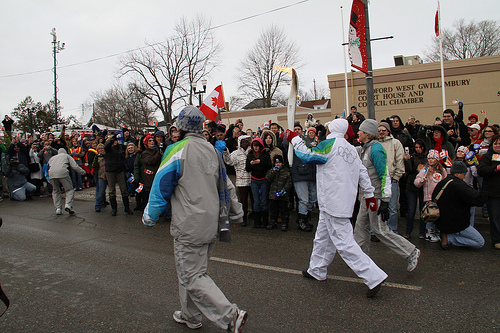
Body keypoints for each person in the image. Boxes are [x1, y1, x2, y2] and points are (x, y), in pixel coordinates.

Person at [142, 106, 248, 332]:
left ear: (179, 126)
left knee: (191, 275)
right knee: (192, 271)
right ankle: (191, 315)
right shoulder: (212, 150)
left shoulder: (176, 150)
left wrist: (150, 216)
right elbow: (226, 185)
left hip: (189, 225)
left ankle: (230, 316)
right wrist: (236, 211)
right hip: (211, 224)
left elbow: (161, 187)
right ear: (201, 126)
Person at [288, 118, 388, 297]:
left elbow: (308, 155)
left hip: (333, 201)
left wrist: (295, 139)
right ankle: (317, 269)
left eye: (326, 127)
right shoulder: (350, 148)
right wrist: (370, 194)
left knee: (344, 243)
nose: (324, 130)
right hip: (336, 201)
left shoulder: (329, 144)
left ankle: (374, 277)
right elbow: (362, 172)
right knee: (322, 237)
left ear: (332, 128)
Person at [353, 119, 420, 272]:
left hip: (376, 196)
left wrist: (385, 201)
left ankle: (411, 252)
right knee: (360, 228)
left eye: (360, 131)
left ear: (367, 133)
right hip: (367, 196)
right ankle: (360, 261)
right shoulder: (365, 148)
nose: (358, 133)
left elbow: (384, 175)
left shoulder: (376, 150)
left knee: (380, 230)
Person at [434, 161, 487, 249]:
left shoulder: (442, 183)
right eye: (463, 174)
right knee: (479, 242)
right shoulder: (459, 185)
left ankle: (447, 236)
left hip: (442, 222)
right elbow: (478, 199)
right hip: (457, 223)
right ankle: (450, 239)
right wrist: (485, 191)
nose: (465, 176)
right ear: (458, 173)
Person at [286, 123, 317, 232]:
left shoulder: (307, 142)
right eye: (295, 130)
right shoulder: (290, 144)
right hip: (299, 175)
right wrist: (288, 138)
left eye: (299, 129)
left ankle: (304, 217)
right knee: (304, 199)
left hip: (310, 174)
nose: (297, 131)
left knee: (313, 198)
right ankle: (302, 221)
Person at [414, 150, 447, 242]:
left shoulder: (442, 170)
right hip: (429, 197)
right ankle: (429, 232)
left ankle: (437, 231)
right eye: (429, 158)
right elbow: (416, 182)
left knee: (438, 215)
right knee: (431, 215)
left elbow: (445, 180)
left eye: (433, 158)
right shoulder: (425, 169)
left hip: (440, 197)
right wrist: (421, 181)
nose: (431, 160)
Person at [377, 122, 405, 233]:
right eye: (379, 130)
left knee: (392, 207)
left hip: (391, 179)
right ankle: (376, 230)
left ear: (388, 131)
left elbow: (400, 160)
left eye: (384, 130)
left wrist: (396, 177)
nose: (381, 132)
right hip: (377, 180)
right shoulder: (374, 144)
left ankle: (392, 229)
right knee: (376, 206)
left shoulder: (395, 143)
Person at [223, 135, 252, 226]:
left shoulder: (252, 152)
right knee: (243, 201)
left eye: (246, 142)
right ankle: (244, 218)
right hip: (241, 180)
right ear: (239, 143)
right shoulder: (235, 153)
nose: (245, 143)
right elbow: (229, 161)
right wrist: (225, 152)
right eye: (243, 142)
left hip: (253, 179)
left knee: (254, 200)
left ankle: (255, 216)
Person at [477, 134, 500, 249]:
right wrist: (495, 168)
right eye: (496, 143)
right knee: (495, 217)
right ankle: (496, 240)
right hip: (493, 192)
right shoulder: (487, 156)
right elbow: (481, 170)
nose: (498, 146)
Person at [48, 148, 86, 214]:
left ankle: (58, 208)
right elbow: (75, 166)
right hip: (63, 172)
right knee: (69, 189)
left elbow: (49, 166)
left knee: (56, 191)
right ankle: (68, 205)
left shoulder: (52, 158)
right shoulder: (67, 156)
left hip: (51, 173)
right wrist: (83, 172)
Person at [245, 137, 272, 228]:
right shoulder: (250, 154)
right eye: (254, 146)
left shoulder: (265, 154)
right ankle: (256, 222)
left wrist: (261, 162)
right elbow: (247, 168)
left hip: (264, 179)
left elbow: (269, 165)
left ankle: (265, 221)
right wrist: (251, 164)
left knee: (264, 201)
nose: (256, 148)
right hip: (254, 179)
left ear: (261, 146)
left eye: (257, 146)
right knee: (256, 201)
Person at [403, 139, 427, 239]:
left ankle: (422, 231)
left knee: (423, 210)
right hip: (412, 185)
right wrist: (407, 161)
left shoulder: (427, 158)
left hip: (423, 186)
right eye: (416, 147)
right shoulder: (412, 157)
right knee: (411, 210)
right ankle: (408, 230)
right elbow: (408, 170)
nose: (418, 149)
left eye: (420, 147)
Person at [104, 134, 133, 216]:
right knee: (112, 190)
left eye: (116, 141)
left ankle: (127, 208)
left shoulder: (120, 147)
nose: (115, 142)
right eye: (114, 141)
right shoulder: (108, 148)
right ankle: (114, 209)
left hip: (119, 169)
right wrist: (112, 140)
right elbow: (106, 147)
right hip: (110, 170)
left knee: (123, 189)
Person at [266, 155, 292, 231]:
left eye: (279, 163)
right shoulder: (272, 170)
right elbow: (268, 178)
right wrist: (273, 171)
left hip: (283, 195)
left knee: (284, 209)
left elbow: (289, 182)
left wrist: (285, 189)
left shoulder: (286, 171)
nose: (278, 164)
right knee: (273, 210)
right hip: (273, 195)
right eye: (276, 163)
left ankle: (285, 223)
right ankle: (273, 222)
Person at [92, 144, 107, 212]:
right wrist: (96, 158)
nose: (101, 150)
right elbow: (94, 166)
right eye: (99, 149)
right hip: (100, 175)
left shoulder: (107, 155)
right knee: (100, 190)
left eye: (102, 148)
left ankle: (103, 202)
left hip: (108, 174)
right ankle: (98, 205)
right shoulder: (97, 157)